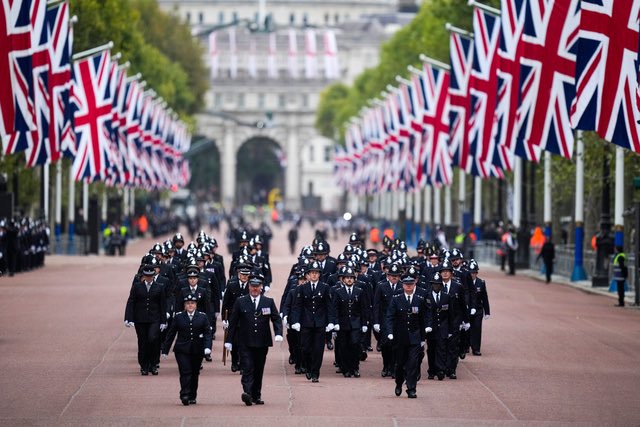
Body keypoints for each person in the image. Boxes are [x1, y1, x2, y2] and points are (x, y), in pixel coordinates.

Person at [225, 274, 283, 406]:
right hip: (245, 341)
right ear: (249, 287)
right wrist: (229, 340)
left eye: (257, 287)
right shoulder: (240, 301)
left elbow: (276, 318)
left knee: (258, 368)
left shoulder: (268, 302)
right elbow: (233, 322)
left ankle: (256, 395)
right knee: (247, 367)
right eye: (252, 286)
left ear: (261, 287)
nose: (255, 289)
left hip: (262, 342)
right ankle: (247, 393)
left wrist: (278, 332)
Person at [161, 294, 212, 406]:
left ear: (196, 305)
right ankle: (184, 394)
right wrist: (165, 349)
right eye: (188, 303)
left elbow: (208, 333)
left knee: (194, 373)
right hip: (182, 349)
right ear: (184, 305)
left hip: (197, 350)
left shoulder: (202, 317)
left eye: (192, 303)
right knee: (185, 372)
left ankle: (192, 395)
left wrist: (208, 347)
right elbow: (171, 333)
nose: (190, 305)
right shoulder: (179, 317)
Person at [385, 274, 431, 398]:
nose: (409, 286)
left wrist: (423, 338)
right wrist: (389, 332)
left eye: (411, 284)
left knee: (413, 363)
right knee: (399, 364)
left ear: (414, 285)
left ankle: (411, 388)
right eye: (407, 284)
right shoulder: (396, 299)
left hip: (415, 338)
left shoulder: (419, 300)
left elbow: (423, 319)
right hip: (400, 337)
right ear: (403, 285)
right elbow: (390, 317)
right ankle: (399, 383)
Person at [290, 261, 332, 382]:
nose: (314, 275)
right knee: (305, 348)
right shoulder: (302, 288)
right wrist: (296, 321)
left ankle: (315, 373)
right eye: (312, 273)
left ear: (319, 274)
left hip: (320, 323)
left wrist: (330, 322)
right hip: (306, 323)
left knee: (318, 350)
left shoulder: (325, 288)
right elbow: (297, 306)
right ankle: (308, 367)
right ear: (308, 274)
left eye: (316, 273)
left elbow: (329, 306)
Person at [124, 262, 167, 375]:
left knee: (152, 339)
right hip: (140, 319)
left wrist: (163, 321)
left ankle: (153, 364)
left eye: (150, 276)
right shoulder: (137, 287)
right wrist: (128, 318)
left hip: (155, 319)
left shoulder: (159, 287)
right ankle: (144, 365)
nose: (148, 278)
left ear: (153, 275)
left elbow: (163, 305)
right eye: (146, 276)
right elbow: (131, 302)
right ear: (143, 275)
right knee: (142, 342)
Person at [467, 260, 490, 356]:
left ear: (477, 273)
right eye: (471, 272)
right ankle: (466, 346)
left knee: (477, 328)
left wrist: (487, 311)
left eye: (474, 272)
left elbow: (484, 297)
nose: (472, 274)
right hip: (467, 310)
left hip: (478, 310)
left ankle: (476, 348)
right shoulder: (464, 282)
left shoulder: (481, 283)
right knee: (467, 329)